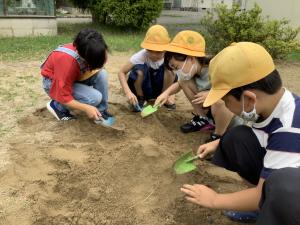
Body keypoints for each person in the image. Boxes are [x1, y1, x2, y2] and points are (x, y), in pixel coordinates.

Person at [180, 42, 300, 225]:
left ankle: (269, 208)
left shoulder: (290, 127)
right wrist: (217, 143)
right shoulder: (272, 104)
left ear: (249, 99)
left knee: (282, 188)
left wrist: (214, 199)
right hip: (287, 174)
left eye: (225, 101)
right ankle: (261, 207)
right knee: (235, 137)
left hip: (293, 194)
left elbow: (265, 191)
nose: (225, 106)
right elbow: (261, 135)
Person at [154, 30, 238, 142]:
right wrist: (166, 93)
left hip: (233, 118)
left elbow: (236, 89)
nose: (176, 72)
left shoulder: (217, 68)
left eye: (177, 67)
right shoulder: (193, 72)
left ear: (191, 59)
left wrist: (212, 94)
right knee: (184, 81)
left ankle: (218, 136)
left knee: (220, 100)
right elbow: (180, 84)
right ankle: (203, 119)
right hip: (213, 112)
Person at [41, 28, 114, 124]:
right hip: (53, 83)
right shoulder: (67, 62)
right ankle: (57, 106)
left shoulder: (90, 47)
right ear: (85, 57)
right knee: (94, 98)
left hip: (74, 77)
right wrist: (86, 107)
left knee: (102, 74)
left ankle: (101, 111)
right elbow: (63, 95)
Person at [118, 24, 177, 112]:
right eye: (150, 50)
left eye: (158, 52)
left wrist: (171, 94)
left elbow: (181, 79)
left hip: (159, 88)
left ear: (166, 49)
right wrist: (128, 92)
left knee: (170, 70)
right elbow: (121, 72)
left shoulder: (170, 57)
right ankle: (140, 98)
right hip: (144, 88)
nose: (154, 54)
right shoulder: (141, 55)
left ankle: (163, 97)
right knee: (139, 71)